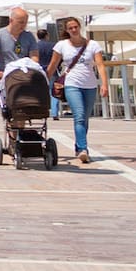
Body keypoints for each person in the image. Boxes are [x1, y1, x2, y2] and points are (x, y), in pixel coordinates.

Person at [49, 17, 106, 164]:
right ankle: (83, 149)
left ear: (79, 27)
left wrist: (104, 84)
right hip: (72, 84)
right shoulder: (61, 45)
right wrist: (43, 80)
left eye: (75, 27)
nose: (73, 30)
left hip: (90, 85)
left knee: (85, 118)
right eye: (70, 28)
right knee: (79, 116)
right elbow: (53, 65)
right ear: (67, 30)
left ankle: (78, 145)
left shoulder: (93, 45)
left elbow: (100, 65)